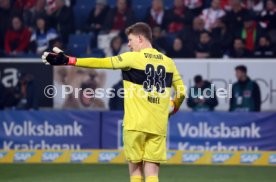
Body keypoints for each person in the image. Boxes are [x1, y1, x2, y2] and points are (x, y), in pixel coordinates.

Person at [42, 22, 186, 182]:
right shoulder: (168, 62)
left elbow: (101, 63)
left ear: (140, 38)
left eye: (130, 40)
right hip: (157, 125)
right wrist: (173, 107)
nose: (129, 44)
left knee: (136, 172)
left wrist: (70, 61)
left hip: (135, 125)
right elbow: (181, 92)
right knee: (152, 173)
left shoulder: (132, 58)